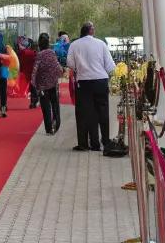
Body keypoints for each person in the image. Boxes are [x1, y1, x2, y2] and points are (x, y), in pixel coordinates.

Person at [66, 22, 116, 153]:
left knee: (85, 113)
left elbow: (70, 63)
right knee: (103, 112)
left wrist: (80, 68)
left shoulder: (74, 45)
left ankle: (86, 144)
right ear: (91, 31)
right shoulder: (101, 44)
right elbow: (110, 65)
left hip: (84, 82)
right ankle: (105, 141)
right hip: (100, 80)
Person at [30, 33, 62, 135]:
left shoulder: (39, 55)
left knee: (46, 107)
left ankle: (49, 129)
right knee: (55, 105)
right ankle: (56, 124)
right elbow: (57, 66)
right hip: (53, 83)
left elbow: (35, 70)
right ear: (48, 43)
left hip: (42, 86)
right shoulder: (52, 53)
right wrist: (60, 73)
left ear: (39, 44)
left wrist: (33, 83)